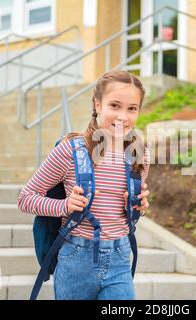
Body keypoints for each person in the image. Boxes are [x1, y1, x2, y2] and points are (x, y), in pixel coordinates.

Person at [18, 70, 151, 300]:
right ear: (97, 105)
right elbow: (26, 198)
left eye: (132, 108)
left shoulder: (139, 155)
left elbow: (126, 209)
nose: (123, 116)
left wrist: (138, 205)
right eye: (115, 106)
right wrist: (65, 206)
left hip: (120, 257)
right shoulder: (71, 150)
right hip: (76, 259)